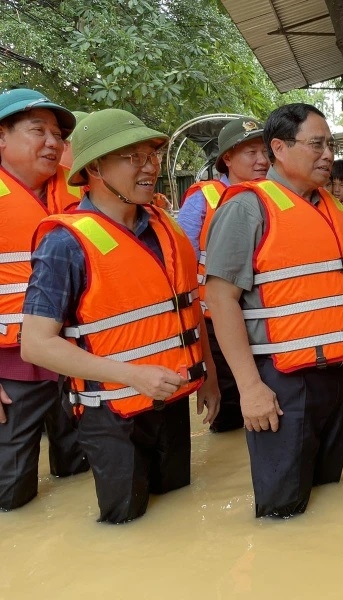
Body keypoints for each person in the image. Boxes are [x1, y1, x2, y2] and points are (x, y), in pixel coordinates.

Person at [20, 108, 220, 523]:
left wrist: (211, 376)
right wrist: (133, 375)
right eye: (134, 157)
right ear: (94, 167)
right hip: (111, 415)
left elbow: (187, 305)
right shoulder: (65, 241)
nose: (150, 167)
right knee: (126, 523)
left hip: (171, 399)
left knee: (177, 512)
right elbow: (36, 344)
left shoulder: (166, 224)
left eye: (152, 155)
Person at [203, 103, 343, 519]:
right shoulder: (247, 208)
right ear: (280, 149)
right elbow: (220, 299)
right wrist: (249, 389)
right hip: (281, 382)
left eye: (331, 144)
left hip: (339, 375)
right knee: (282, 512)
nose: (328, 154)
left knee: (326, 495)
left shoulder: (332, 209)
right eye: (317, 144)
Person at [0, 88, 88, 511]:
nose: (52, 143)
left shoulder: (79, 195)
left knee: (80, 475)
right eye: (38, 131)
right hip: (10, 371)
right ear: (2, 137)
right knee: (11, 490)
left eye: (57, 134)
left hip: (74, 362)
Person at [178, 117, 267, 433]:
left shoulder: (276, 198)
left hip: (264, 320)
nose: (262, 160)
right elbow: (182, 265)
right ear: (227, 158)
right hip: (217, 323)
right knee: (229, 413)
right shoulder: (204, 199)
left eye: (265, 151)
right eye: (251, 152)